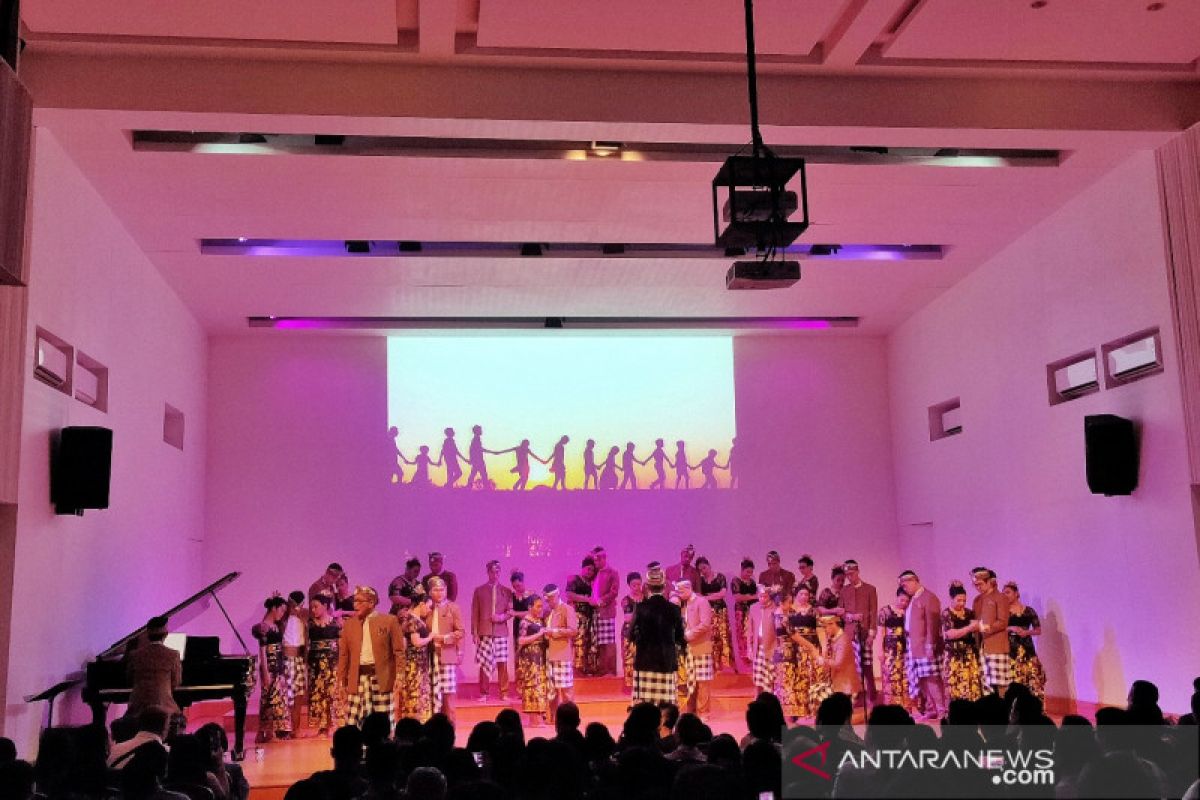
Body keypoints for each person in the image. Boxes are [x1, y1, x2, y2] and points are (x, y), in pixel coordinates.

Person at [336, 586, 406, 727]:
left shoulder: (389, 621)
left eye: (360, 601)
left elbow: (399, 652)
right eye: (354, 601)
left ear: (371, 603)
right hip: (358, 679)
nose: (355, 605)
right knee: (355, 722)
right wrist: (341, 681)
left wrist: (399, 675)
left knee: (383, 721)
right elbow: (344, 656)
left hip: (381, 678)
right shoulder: (349, 625)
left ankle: (383, 748)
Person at [630, 563, 686, 707]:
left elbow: (631, 634)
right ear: (664, 587)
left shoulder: (640, 608)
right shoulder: (674, 609)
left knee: (644, 707)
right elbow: (680, 636)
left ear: (647, 587)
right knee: (666, 707)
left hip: (644, 662)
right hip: (666, 662)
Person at [122, 615, 186, 740]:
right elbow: (176, 682)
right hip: (164, 706)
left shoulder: (134, 655)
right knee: (180, 718)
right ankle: (171, 747)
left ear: (147, 634)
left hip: (137, 707)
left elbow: (129, 678)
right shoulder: (173, 655)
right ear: (166, 634)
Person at [900, 570, 946, 721]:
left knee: (932, 678)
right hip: (914, 646)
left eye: (905, 585)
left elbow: (933, 623)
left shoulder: (929, 597)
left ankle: (941, 710)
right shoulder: (914, 599)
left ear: (914, 580)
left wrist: (930, 644)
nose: (904, 588)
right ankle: (931, 708)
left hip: (926, 646)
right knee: (922, 680)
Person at [471, 559, 514, 700]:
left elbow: (510, 612)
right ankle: (484, 692)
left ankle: (504, 692)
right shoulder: (479, 591)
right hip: (484, 631)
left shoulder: (506, 591)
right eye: (493, 571)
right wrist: (475, 632)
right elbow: (475, 612)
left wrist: (501, 617)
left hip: (500, 631)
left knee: (502, 662)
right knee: (484, 662)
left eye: (498, 571)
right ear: (488, 572)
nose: (495, 574)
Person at [426, 576, 465, 724]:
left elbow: (460, 632)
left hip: (447, 655)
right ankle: (433, 728)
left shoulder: (453, 607)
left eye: (442, 589)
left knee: (448, 695)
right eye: (436, 590)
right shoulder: (426, 609)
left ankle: (450, 729)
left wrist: (443, 638)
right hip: (429, 655)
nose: (440, 592)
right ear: (430, 592)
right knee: (431, 694)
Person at [840, 559, 878, 706]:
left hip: (865, 633)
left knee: (867, 665)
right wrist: (850, 616)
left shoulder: (870, 589)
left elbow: (873, 612)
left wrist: (871, 633)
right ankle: (856, 696)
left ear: (858, 571)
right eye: (847, 574)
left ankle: (872, 697)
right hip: (850, 634)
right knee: (852, 666)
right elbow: (841, 612)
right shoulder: (844, 591)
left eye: (852, 573)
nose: (850, 576)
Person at [1003, 581, 1047, 703]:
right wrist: (1011, 628)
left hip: (1028, 650)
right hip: (1011, 651)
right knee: (1014, 683)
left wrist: (1027, 632)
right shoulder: (1004, 612)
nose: (1005, 595)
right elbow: (998, 629)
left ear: (1016, 593)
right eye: (1004, 593)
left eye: (1008, 592)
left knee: (1034, 682)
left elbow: (1038, 630)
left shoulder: (1029, 610)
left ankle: (1036, 712)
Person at [971, 567, 1012, 697]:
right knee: (985, 681)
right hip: (982, 645)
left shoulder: (1000, 598)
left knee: (1000, 682)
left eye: (980, 584)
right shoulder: (977, 600)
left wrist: (985, 627)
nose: (978, 587)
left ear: (989, 582)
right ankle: (990, 711)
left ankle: (1004, 712)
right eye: (975, 585)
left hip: (997, 644)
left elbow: (1003, 622)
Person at [253, 596, 289, 741]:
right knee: (269, 699)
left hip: (279, 665)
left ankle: (269, 731)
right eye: (281, 610)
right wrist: (265, 672)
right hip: (270, 666)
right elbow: (262, 650)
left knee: (276, 699)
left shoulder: (276, 625)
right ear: (273, 608)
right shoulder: (264, 627)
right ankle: (268, 732)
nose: (282, 613)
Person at [942, 580, 985, 702]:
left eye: (964, 600)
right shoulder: (947, 614)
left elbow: (979, 628)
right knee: (955, 685)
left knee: (971, 684)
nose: (962, 603)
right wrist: (969, 628)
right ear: (951, 598)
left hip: (969, 654)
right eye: (959, 600)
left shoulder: (969, 613)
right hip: (954, 655)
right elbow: (950, 634)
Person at [782, 586, 820, 721]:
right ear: (796, 595)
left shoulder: (814, 611)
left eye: (806, 594)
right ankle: (796, 710)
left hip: (811, 649)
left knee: (810, 678)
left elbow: (819, 630)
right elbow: (788, 631)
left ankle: (811, 709)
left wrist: (818, 649)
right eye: (801, 593)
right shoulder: (789, 611)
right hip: (795, 649)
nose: (804, 596)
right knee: (795, 679)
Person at [306, 593, 342, 735]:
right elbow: (307, 645)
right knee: (318, 693)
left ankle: (333, 723)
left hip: (332, 664)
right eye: (311, 607)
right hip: (315, 665)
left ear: (325, 606)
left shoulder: (335, 623)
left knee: (332, 693)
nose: (313, 610)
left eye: (316, 607)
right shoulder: (309, 624)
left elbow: (340, 645)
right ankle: (322, 725)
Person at [677, 580, 714, 718]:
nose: (679, 595)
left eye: (681, 591)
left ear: (689, 588)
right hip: (688, 647)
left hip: (701, 645)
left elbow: (705, 624)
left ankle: (704, 712)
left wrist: (689, 634)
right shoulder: (683, 604)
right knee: (690, 679)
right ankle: (691, 712)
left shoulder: (701, 601)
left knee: (703, 680)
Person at [396, 595, 434, 723]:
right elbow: (416, 642)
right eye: (429, 606)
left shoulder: (411, 619)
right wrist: (430, 637)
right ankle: (415, 722)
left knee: (414, 693)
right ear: (421, 604)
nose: (429, 610)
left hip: (415, 664)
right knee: (415, 693)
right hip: (415, 665)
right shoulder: (413, 620)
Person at [808, 613, 861, 704]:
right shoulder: (835, 638)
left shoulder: (843, 640)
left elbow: (838, 663)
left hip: (845, 684)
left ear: (832, 624)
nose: (825, 631)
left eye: (825, 628)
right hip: (838, 683)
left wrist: (822, 660)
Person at [516, 594, 551, 727]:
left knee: (540, 687)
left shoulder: (539, 621)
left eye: (541, 606)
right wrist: (539, 634)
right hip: (530, 659)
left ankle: (539, 719)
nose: (540, 609)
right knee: (532, 687)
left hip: (539, 657)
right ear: (530, 607)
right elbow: (521, 640)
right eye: (538, 606)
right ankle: (533, 721)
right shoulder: (525, 622)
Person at [544, 584, 579, 716]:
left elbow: (573, 630)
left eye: (550, 599)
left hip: (562, 654)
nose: (549, 602)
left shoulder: (567, 609)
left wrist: (555, 632)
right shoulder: (549, 612)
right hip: (549, 655)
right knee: (551, 689)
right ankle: (553, 718)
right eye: (547, 600)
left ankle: (570, 717)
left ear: (556, 595)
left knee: (566, 689)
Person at [877, 586, 912, 710]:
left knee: (905, 678)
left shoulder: (908, 612)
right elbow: (881, 632)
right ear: (897, 597)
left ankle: (906, 708)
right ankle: (891, 709)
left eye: (907, 601)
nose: (904, 603)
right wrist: (880, 651)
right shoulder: (885, 611)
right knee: (890, 679)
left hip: (905, 650)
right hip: (890, 651)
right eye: (902, 600)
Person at [696, 556, 732, 673]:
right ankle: (711, 665)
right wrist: (709, 598)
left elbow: (722, 594)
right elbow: (698, 596)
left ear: (709, 565)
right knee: (710, 637)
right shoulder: (700, 581)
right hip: (707, 611)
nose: (703, 571)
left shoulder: (720, 577)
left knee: (723, 636)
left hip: (720, 610)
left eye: (704, 568)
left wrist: (706, 597)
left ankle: (724, 665)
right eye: (700, 570)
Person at [565, 556, 600, 676]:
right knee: (579, 640)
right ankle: (577, 669)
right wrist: (586, 599)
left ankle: (587, 668)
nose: (590, 572)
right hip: (578, 615)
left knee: (589, 641)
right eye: (588, 569)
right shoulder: (574, 579)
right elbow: (569, 594)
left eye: (592, 570)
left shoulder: (591, 583)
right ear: (583, 567)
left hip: (590, 616)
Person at [281, 591, 309, 736]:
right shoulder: (283, 617)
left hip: (299, 659)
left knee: (299, 694)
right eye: (293, 605)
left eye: (299, 605)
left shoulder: (305, 616)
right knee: (286, 695)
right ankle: (285, 728)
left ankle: (296, 728)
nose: (296, 608)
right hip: (286, 659)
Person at [591, 546, 621, 677]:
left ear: (603, 558)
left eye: (597, 560)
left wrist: (601, 601)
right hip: (597, 612)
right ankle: (602, 668)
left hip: (607, 611)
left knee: (608, 641)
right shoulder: (597, 573)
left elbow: (614, 592)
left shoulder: (612, 572)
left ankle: (610, 670)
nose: (595, 563)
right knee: (600, 641)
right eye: (594, 561)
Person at [746, 585, 779, 697]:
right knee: (758, 674)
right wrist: (749, 648)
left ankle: (771, 698)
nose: (762, 599)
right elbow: (750, 629)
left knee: (770, 675)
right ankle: (758, 697)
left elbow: (778, 630)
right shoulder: (753, 607)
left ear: (769, 597)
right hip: (758, 646)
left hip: (771, 646)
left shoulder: (775, 608)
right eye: (760, 596)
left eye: (765, 597)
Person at [730, 558, 758, 669]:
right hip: (741, 612)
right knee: (742, 635)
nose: (749, 574)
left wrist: (751, 597)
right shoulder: (736, 581)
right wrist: (753, 597)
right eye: (747, 572)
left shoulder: (752, 582)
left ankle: (752, 659)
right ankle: (744, 661)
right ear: (742, 569)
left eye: (751, 572)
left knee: (752, 634)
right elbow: (737, 597)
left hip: (752, 611)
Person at [620, 571, 646, 689]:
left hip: (645, 632)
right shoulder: (626, 600)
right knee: (629, 658)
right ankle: (630, 686)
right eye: (634, 585)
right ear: (629, 586)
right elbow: (628, 618)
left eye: (638, 584)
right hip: (629, 632)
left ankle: (643, 685)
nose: (637, 587)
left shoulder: (646, 598)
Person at [510, 570, 534, 654]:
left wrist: (515, 613)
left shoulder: (531, 596)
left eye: (518, 585)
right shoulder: (512, 597)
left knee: (528, 654)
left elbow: (531, 613)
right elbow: (509, 611)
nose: (516, 588)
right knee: (517, 654)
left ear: (523, 582)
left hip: (528, 629)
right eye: (514, 586)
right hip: (517, 628)